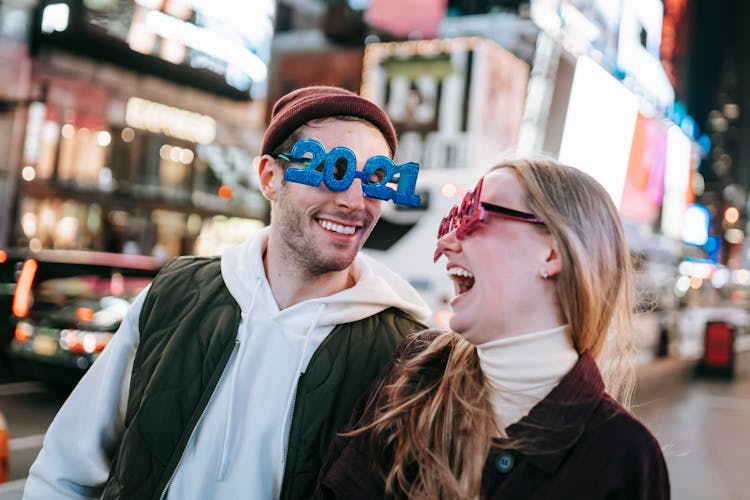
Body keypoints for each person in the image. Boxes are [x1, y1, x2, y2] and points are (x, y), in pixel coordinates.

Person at [23, 86, 430, 500]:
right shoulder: (174, 294)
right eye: (334, 171)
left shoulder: (407, 353)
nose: (355, 201)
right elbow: (65, 470)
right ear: (271, 178)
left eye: (376, 180)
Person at [314, 158, 670, 499]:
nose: (444, 243)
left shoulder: (624, 455)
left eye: (473, 217)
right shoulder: (413, 372)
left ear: (552, 253)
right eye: (453, 219)